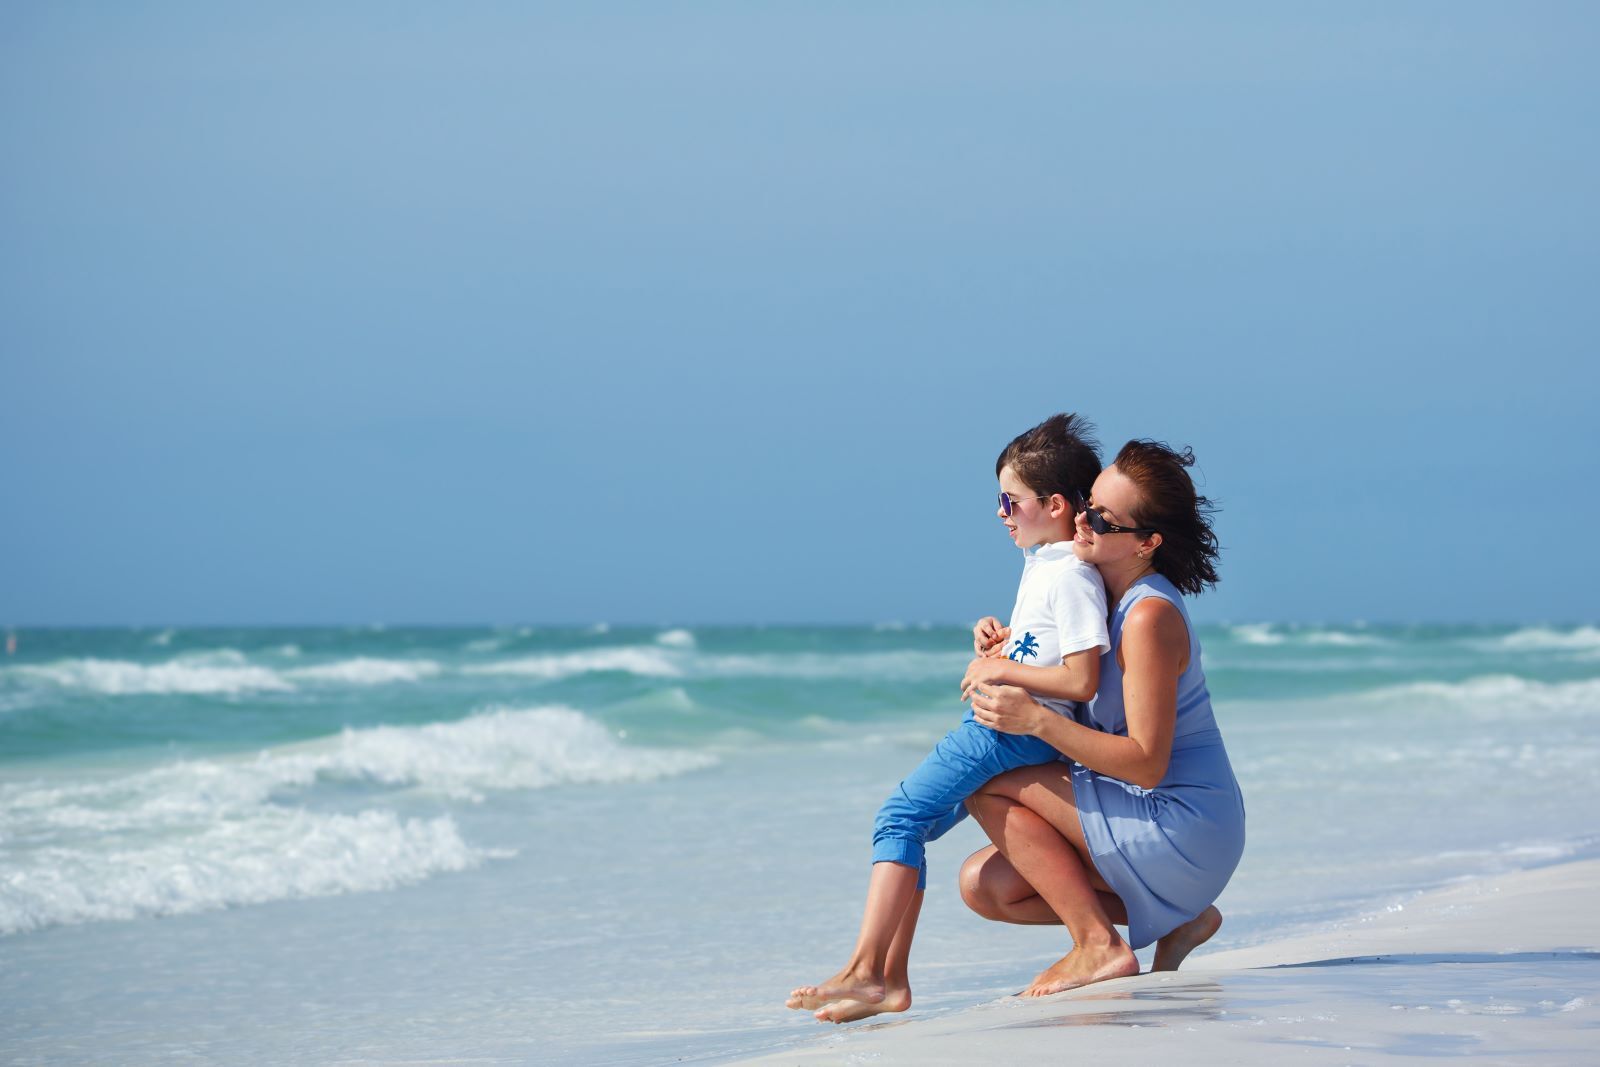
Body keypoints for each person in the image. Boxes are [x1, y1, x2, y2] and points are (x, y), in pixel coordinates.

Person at [786, 413, 1112, 1024]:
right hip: (1006, 728)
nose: (1001, 513)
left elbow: (1080, 679)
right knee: (915, 830)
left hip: (1004, 732)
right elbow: (1050, 650)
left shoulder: (1069, 575)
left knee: (899, 817)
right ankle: (889, 979)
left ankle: (868, 973)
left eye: (1010, 501)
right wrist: (1005, 644)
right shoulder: (1047, 563)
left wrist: (1004, 674)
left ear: (1057, 504)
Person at [958, 439, 1245, 996]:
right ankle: (1182, 919)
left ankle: (1097, 945)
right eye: (1087, 505)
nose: (1082, 522)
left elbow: (1145, 764)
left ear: (1146, 542)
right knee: (985, 886)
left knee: (990, 783)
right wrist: (1009, 645)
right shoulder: (1101, 602)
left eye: (1101, 518)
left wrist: (1036, 722)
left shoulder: (1148, 617)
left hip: (1182, 821)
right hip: (1146, 811)